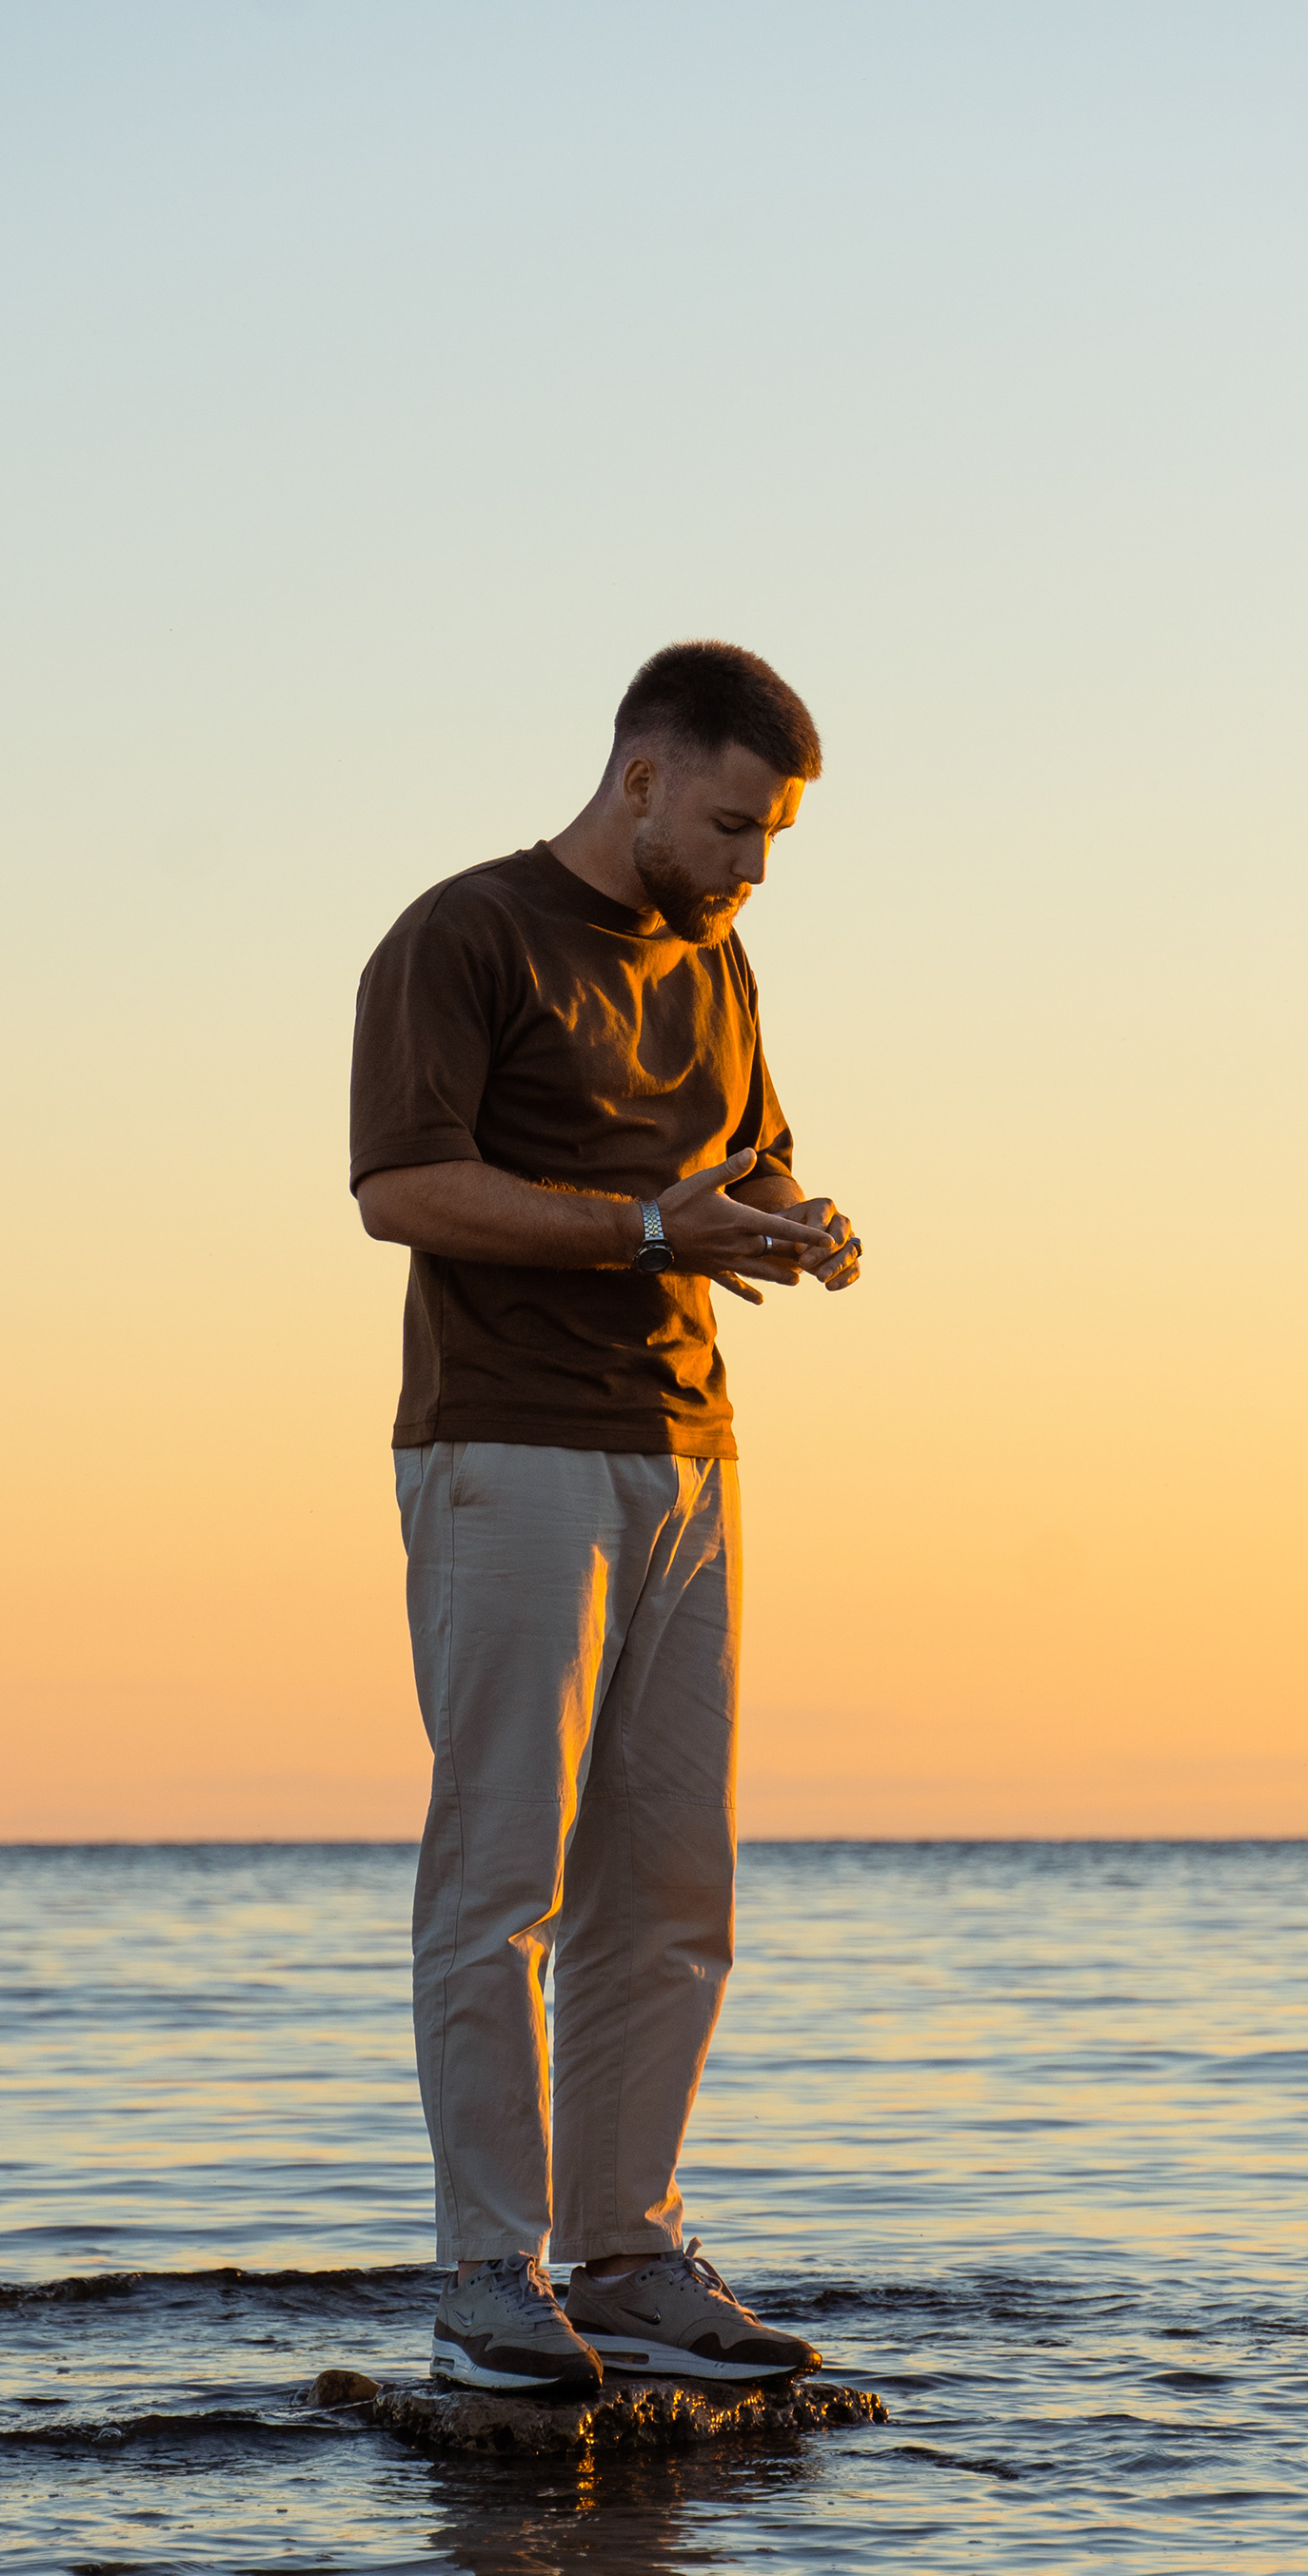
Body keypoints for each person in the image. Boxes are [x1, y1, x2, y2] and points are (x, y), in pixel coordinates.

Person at [349, 639, 862, 2395]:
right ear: (641, 775)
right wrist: (649, 1232)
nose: (752, 866)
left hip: (692, 1450)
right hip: (506, 1446)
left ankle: (629, 2255)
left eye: (773, 836)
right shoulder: (464, 934)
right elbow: (400, 1188)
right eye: (732, 824)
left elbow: (741, 1162)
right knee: (500, 1878)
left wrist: (792, 1219)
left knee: (669, 1883)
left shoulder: (717, 958)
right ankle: (488, 2278)